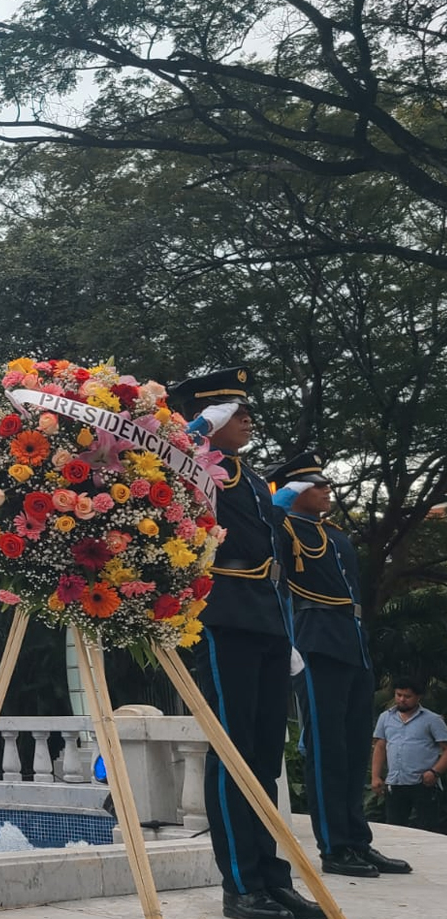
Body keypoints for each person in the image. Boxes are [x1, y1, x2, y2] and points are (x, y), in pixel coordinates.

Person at [167, 369, 319, 919]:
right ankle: (240, 885)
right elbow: (163, 457)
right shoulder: (200, 464)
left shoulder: (251, 477)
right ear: (217, 418)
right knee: (232, 756)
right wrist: (197, 430)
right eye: (239, 413)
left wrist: (286, 629)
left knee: (263, 757)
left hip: (268, 621)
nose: (250, 421)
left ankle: (269, 874)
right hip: (225, 618)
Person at [269, 453, 411, 877]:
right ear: (295, 491)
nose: (326, 488)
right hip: (315, 644)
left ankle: (356, 840)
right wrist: (278, 508)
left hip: (351, 643)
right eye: (316, 484)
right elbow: (262, 545)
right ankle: (334, 847)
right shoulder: (286, 528)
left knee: (352, 748)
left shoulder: (333, 534)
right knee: (326, 748)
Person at [372, 678, 447, 831]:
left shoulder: (432, 720)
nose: (402, 700)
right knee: (394, 829)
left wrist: (435, 772)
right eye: (398, 695)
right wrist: (375, 776)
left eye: (407, 696)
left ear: (418, 697)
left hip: (423, 783)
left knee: (427, 830)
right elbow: (380, 746)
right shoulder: (385, 717)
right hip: (396, 782)